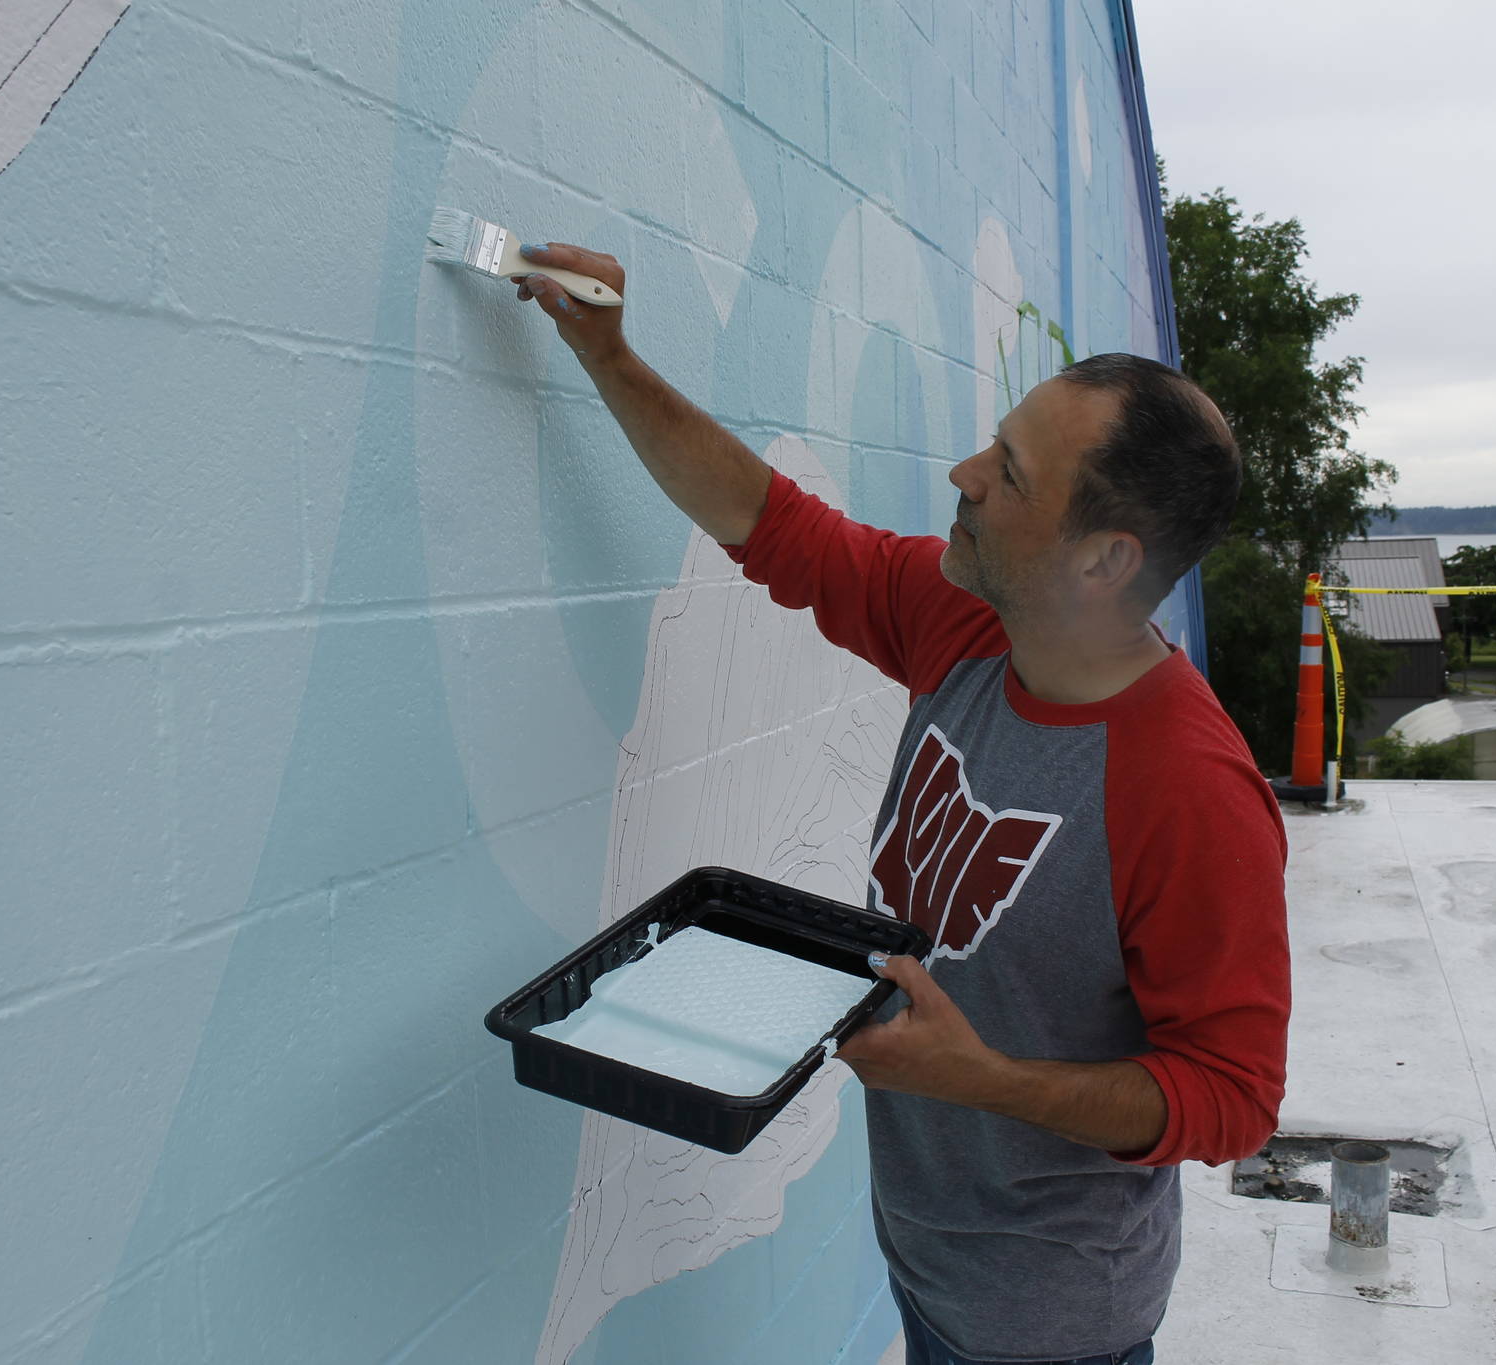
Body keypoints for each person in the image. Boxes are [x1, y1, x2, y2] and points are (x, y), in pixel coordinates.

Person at [509, 244, 1289, 1365]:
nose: (965, 474)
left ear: (1102, 561)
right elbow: (773, 527)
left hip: (1052, 1325)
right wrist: (608, 354)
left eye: (1009, 474)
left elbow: (1232, 1096)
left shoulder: (1189, 791)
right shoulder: (974, 627)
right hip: (928, 1265)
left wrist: (983, 1082)